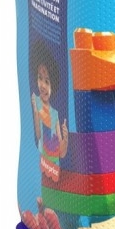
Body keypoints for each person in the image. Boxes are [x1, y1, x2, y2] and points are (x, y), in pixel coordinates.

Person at [30, 40, 68, 176]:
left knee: (52, 181)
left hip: (54, 165)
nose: (43, 85)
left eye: (47, 81)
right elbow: (38, 136)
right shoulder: (36, 101)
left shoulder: (55, 114)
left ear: (53, 86)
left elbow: (61, 153)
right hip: (44, 162)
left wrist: (65, 139)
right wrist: (36, 112)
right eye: (40, 78)